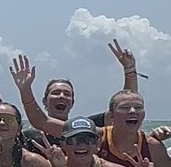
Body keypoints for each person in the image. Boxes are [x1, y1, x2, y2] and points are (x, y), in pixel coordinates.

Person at [9, 40, 140, 136]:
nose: (61, 96)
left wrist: (129, 70)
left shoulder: (86, 127)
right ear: (44, 101)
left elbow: (125, 105)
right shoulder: (29, 136)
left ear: (72, 103)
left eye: (67, 94)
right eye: (56, 93)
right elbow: (40, 121)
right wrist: (25, 89)